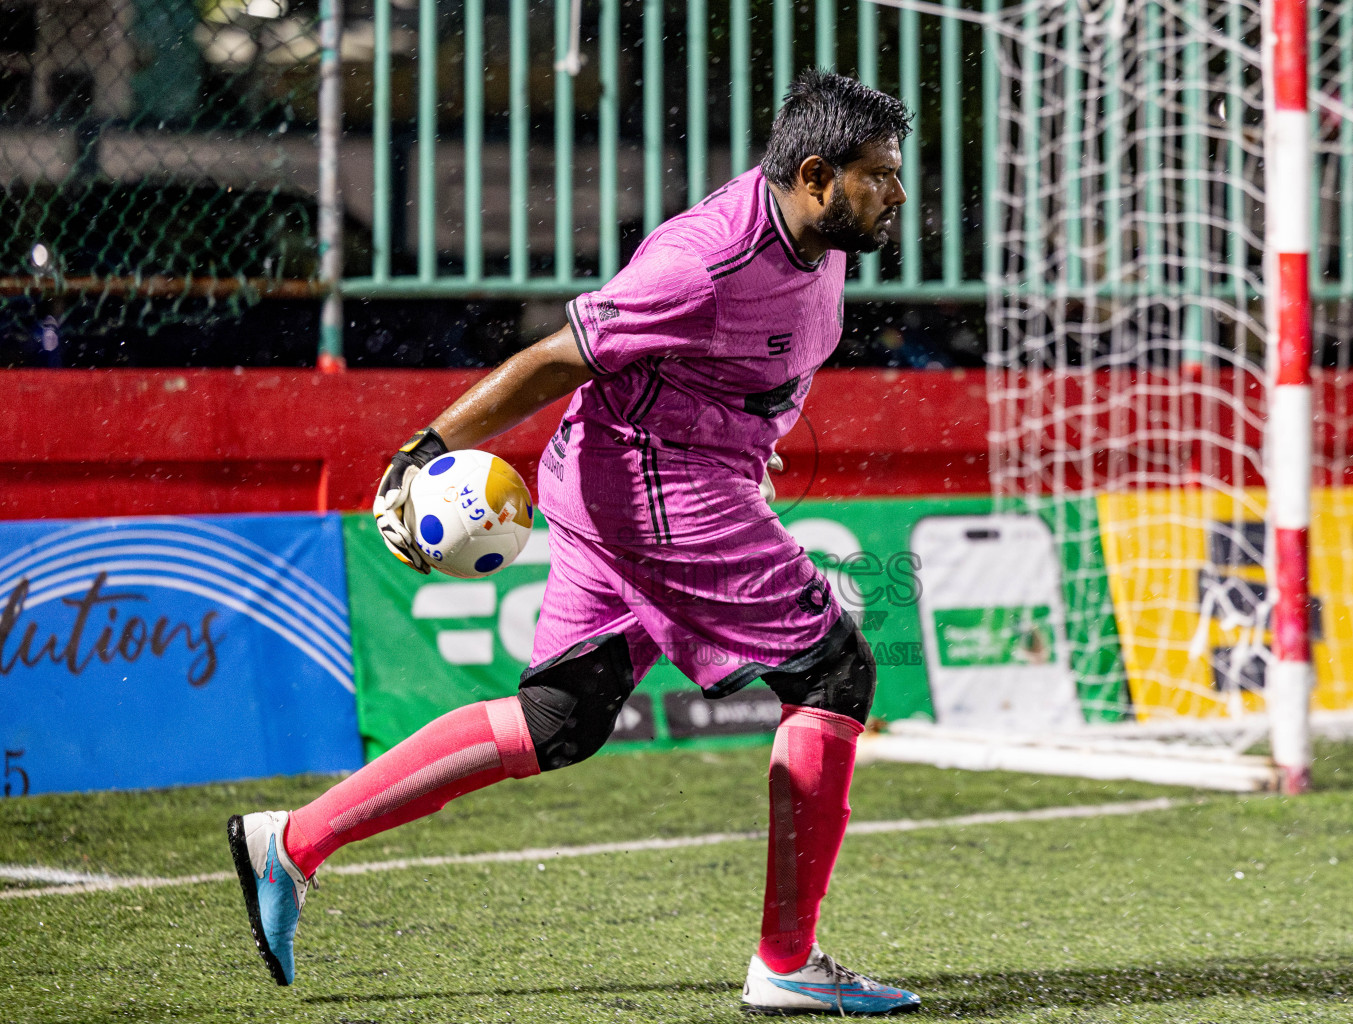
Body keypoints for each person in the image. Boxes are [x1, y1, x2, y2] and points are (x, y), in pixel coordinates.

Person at [227, 68, 919, 1016]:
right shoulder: (703, 263)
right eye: (880, 174)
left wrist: (745, 442)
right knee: (834, 674)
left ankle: (291, 841)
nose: (898, 192)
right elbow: (556, 358)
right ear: (814, 175)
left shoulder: (819, 234)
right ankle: (786, 963)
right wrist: (423, 451)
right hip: (653, 489)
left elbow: (738, 365)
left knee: (559, 717)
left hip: (642, 480)